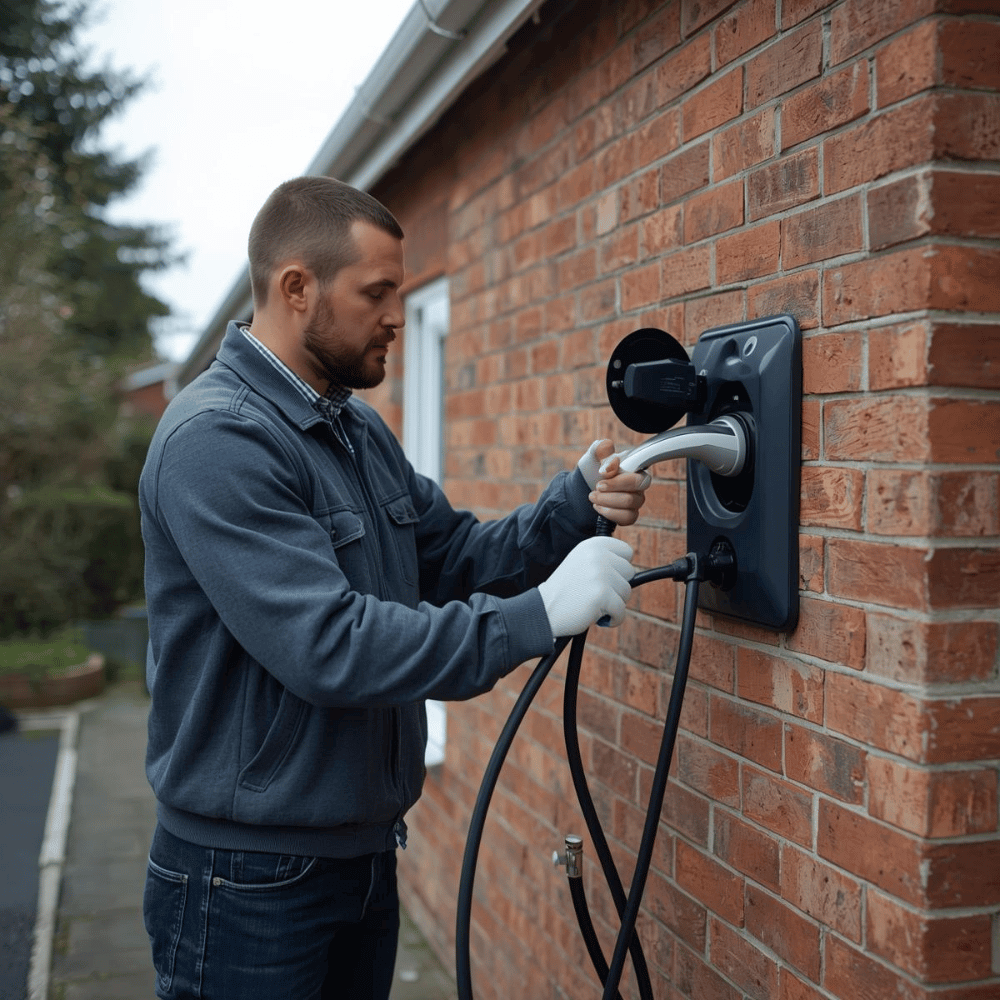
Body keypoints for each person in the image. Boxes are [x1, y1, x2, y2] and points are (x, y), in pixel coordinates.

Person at [139, 176, 650, 1000]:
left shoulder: (354, 429)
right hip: (246, 883)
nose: (395, 318)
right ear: (296, 287)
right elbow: (328, 645)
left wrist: (574, 507)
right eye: (376, 293)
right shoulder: (218, 439)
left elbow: (451, 557)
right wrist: (540, 614)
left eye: (401, 293)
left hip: (362, 859)